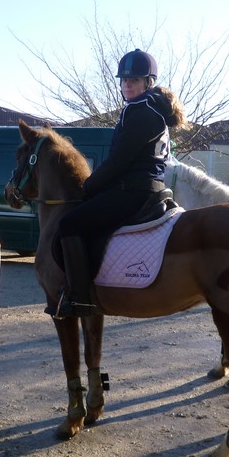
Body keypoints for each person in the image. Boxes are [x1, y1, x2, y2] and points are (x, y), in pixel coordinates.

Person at [52, 49, 185, 318]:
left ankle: (81, 299)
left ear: (148, 82)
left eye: (133, 80)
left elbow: (118, 161)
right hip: (152, 188)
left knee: (69, 224)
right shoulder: (155, 110)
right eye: (124, 80)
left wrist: (89, 186)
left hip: (132, 191)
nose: (127, 85)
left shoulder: (139, 110)